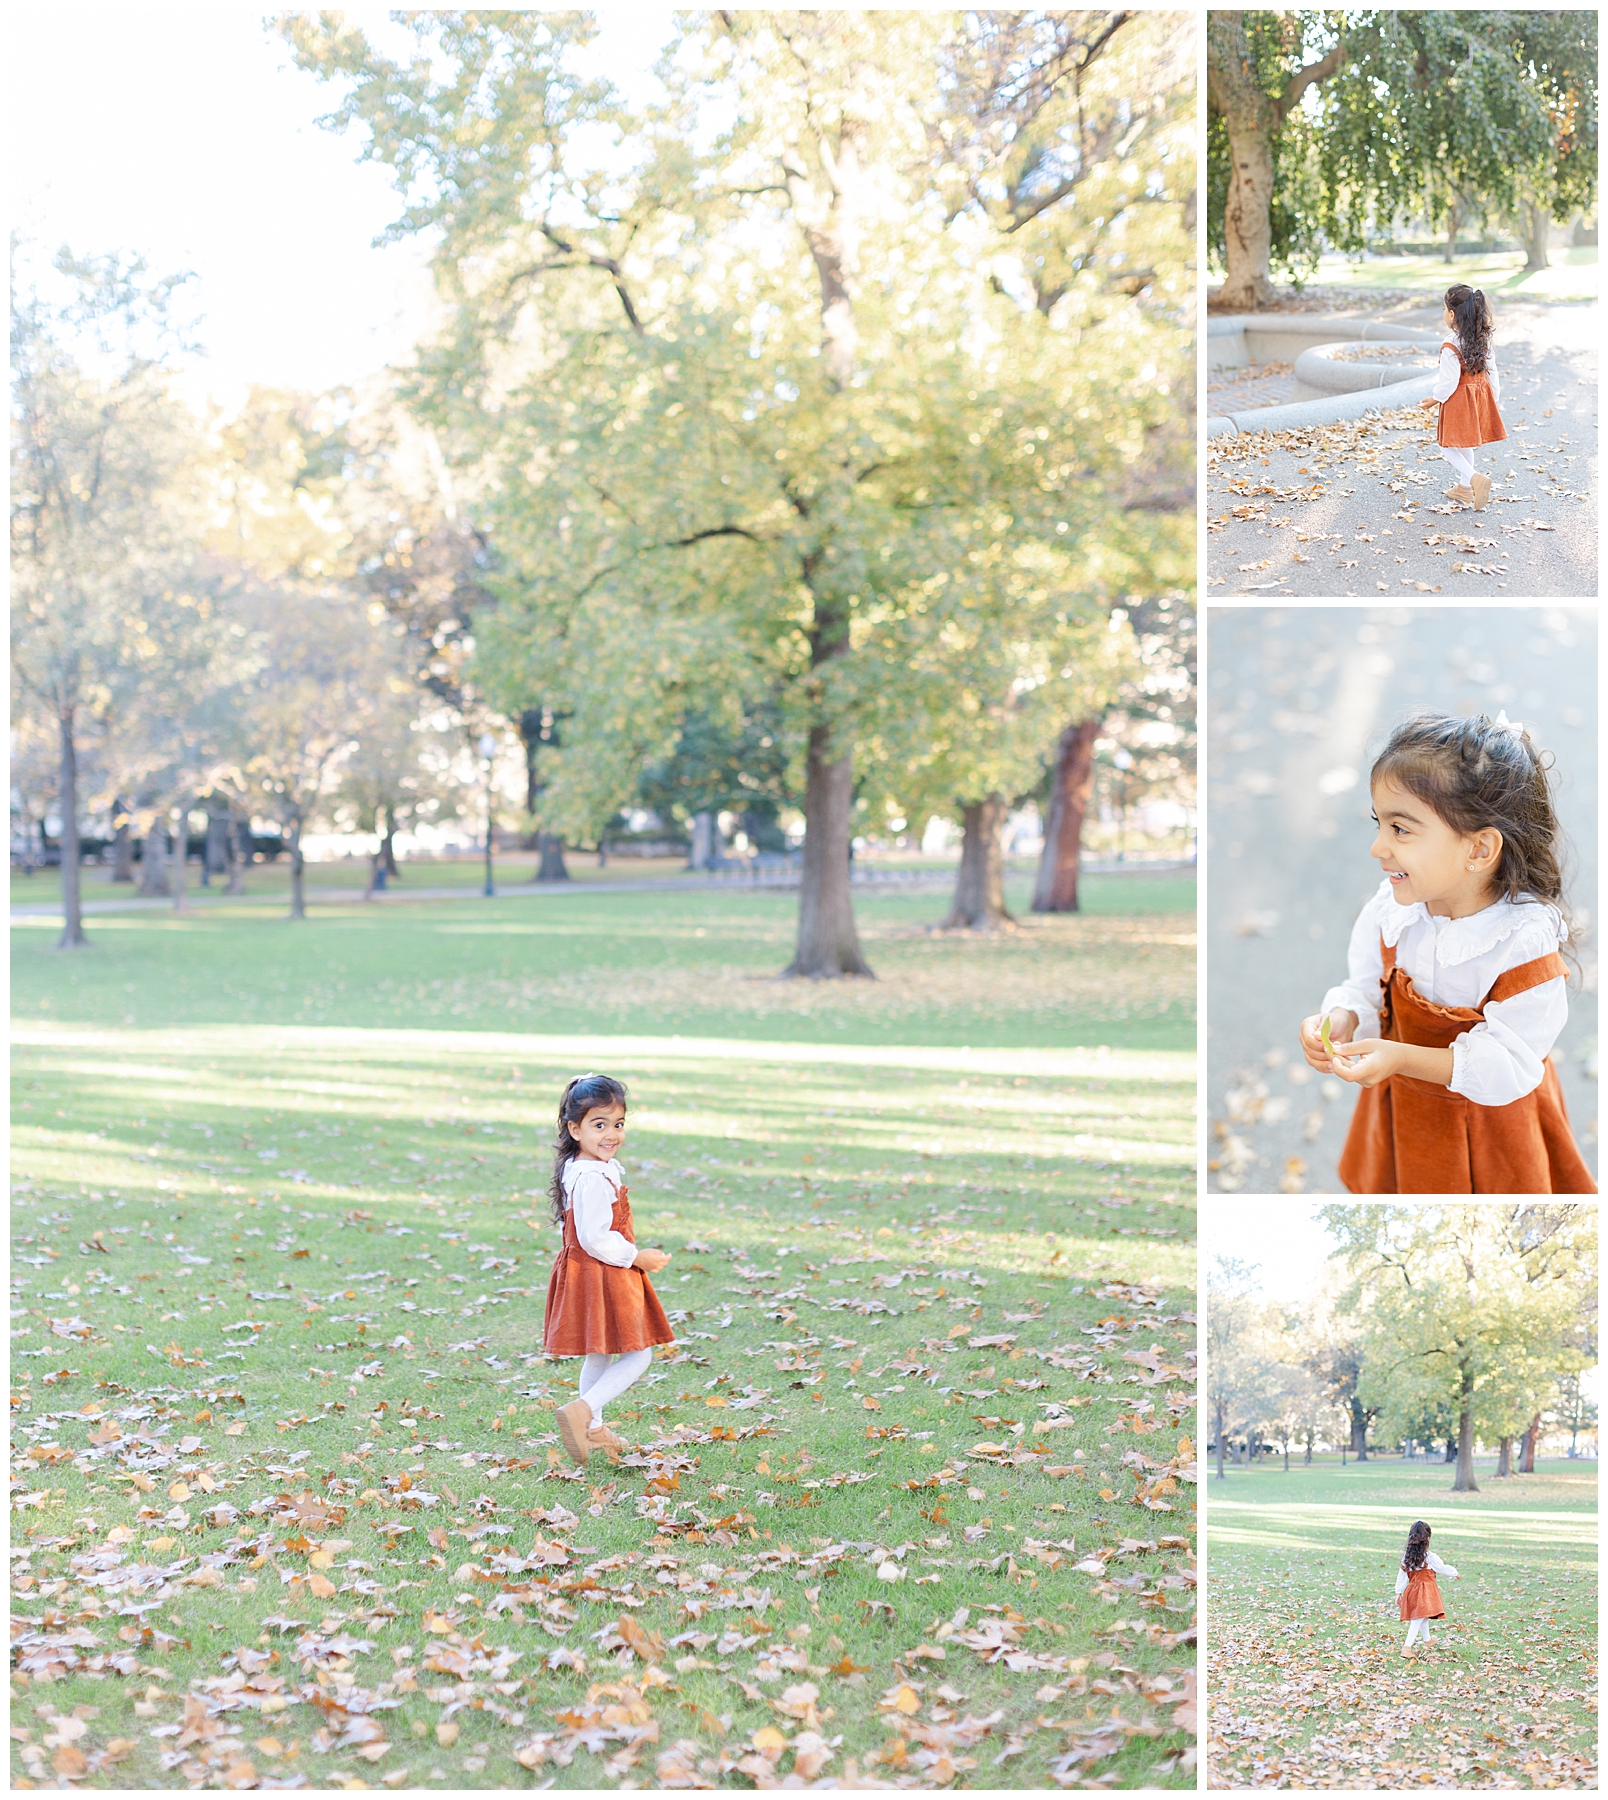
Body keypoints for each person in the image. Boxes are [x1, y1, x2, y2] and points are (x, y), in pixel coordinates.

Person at [1299, 712, 1595, 1195]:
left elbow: (1511, 1061)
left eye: (1401, 829)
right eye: (1380, 823)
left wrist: (1399, 1057)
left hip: (1490, 1125)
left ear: (1479, 849)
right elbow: (1365, 987)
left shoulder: (1520, 942)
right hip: (1407, 1114)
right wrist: (1343, 1017)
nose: (1377, 847)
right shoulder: (1394, 912)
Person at [540, 1073, 673, 1464]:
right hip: (603, 1271)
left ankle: (592, 1426)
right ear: (575, 1128)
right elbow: (596, 1237)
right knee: (639, 1354)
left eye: (618, 1124)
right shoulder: (593, 1176)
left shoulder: (581, 1167)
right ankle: (583, 1411)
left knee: (599, 1354)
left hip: (588, 1271)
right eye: (599, 1125)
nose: (611, 1134)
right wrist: (638, 1257)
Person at [1417, 284, 1506, 510]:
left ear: (1452, 314)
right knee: (1465, 442)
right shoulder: (1482, 339)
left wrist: (1435, 398)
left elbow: (1449, 382)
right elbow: (1491, 371)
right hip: (1478, 397)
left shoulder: (1450, 344)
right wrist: (1492, 397)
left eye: (1444, 310)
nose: (1444, 314)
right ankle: (1465, 488)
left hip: (1458, 401)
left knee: (1447, 445)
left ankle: (1474, 478)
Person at [1396, 1520, 1459, 1658]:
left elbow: (1402, 1575)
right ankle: (1407, 1648)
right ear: (1428, 1539)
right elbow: (1443, 1569)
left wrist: (1398, 1592)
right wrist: (1455, 1572)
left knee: (1423, 1616)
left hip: (1412, 1590)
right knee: (1418, 1619)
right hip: (1424, 1592)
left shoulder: (1406, 1557)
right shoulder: (1430, 1557)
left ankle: (1427, 1640)